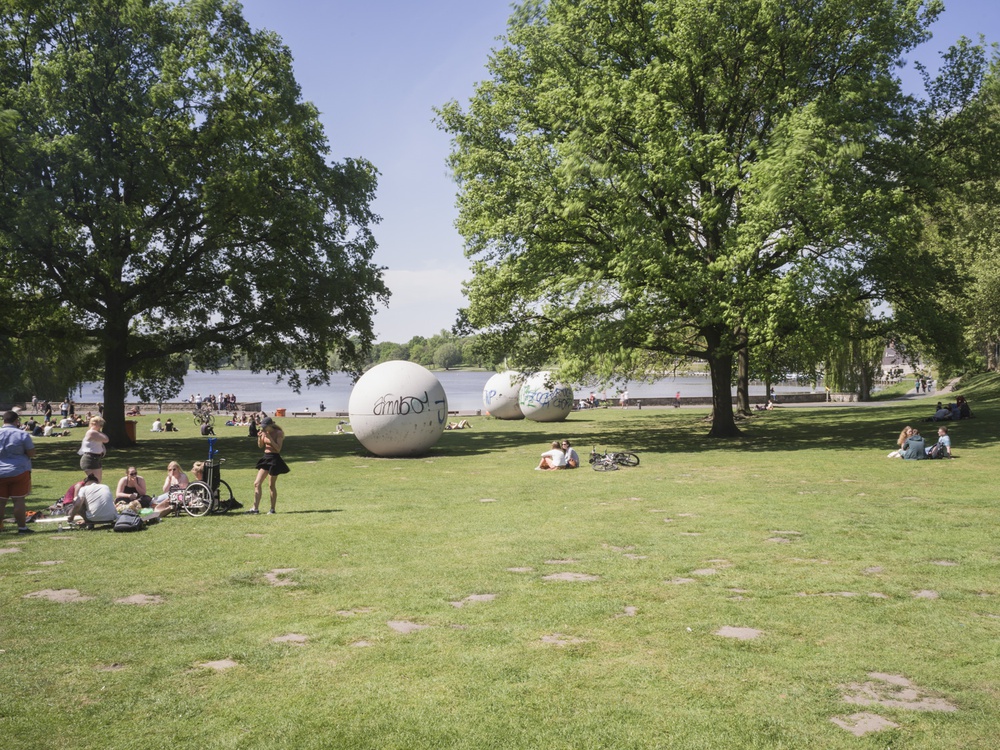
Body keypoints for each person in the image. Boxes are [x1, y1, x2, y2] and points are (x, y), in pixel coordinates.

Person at [0, 410, 37, 534]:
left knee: (1, 501)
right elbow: (31, 453)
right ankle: (22, 528)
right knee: (19, 500)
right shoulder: (22, 434)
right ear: (17, 421)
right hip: (19, 470)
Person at [248, 416, 289, 514]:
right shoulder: (263, 432)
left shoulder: (278, 433)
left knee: (271, 485)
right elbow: (261, 446)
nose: (263, 428)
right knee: (257, 483)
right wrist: (259, 437)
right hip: (266, 458)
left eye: (265, 426)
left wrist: (270, 438)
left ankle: (272, 509)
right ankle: (255, 508)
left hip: (274, 459)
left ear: (270, 426)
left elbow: (278, 449)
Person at [77, 416, 109, 481]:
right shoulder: (91, 432)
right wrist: (98, 431)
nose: (101, 427)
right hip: (90, 459)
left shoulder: (96, 433)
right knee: (94, 481)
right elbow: (106, 439)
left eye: (101, 425)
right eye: (100, 425)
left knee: (97, 481)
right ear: (93, 424)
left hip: (96, 458)